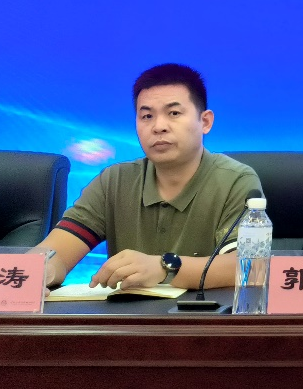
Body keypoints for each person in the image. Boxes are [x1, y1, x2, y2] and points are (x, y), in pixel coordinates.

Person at [34, 64, 261, 290]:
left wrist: (165, 268)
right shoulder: (114, 181)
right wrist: (42, 272)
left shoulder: (236, 181)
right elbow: (55, 252)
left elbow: (251, 267)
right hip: (127, 313)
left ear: (205, 122)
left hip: (203, 313)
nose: (158, 126)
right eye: (147, 116)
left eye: (174, 113)